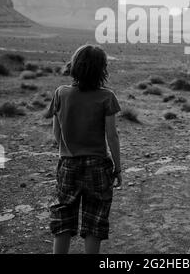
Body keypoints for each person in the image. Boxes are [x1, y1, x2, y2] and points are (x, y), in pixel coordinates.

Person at [46, 44, 122, 254]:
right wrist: (118, 168)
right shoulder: (107, 97)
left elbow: (56, 130)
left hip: (68, 164)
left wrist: (66, 152)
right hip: (98, 166)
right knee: (94, 222)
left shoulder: (61, 93)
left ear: (75, 66)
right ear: (102, 70)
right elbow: (112, 136)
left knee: (63, 218)